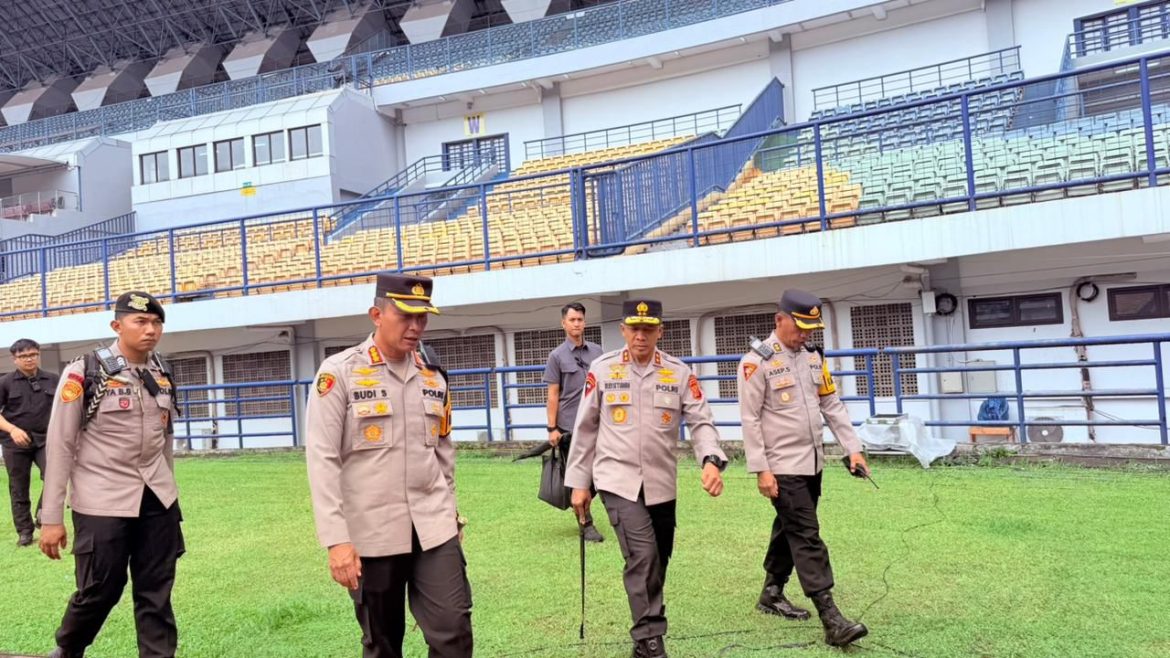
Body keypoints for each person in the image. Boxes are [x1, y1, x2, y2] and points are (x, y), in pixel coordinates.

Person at [306, 273, 472, 658]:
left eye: (422, 317)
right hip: (372, 531)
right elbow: (322, 458)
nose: (416, 326)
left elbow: (444, 452)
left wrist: (449, 511)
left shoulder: (433, 377)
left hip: (433, 527)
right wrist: (337, 540)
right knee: (382, 643)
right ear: (377, 315)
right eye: (405, 316)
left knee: (454, 631)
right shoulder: (340, 373)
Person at [566, 299, 728, 658]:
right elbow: (585, 428)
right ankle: (650, 640)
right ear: (623, 330)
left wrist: (710, 460)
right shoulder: (603, 369)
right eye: (634, 328)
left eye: (648, 329)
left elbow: (701, 420)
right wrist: (579, 483)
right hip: (616, 479)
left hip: (660, 483)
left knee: (659, 558)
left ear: (660, 331)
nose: (641, 335)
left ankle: (644, 636)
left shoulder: (678, 372)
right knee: (643, 556)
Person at [40, 291, 184, 658]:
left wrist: (171, 495)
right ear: (117, 325)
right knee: (100, 587)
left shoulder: (162, 372)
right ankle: (69, 647)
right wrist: (52, 517)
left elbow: (164, 441)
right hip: (102, 498)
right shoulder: (85, 371)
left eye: (157, 322)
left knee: (156, 590)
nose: (151, 330)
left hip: (157, 498)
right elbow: (60, 445)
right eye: (141, 322)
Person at [737, 289, 871, 648]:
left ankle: (771, 592)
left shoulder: (813, 357)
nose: (805, 334)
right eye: (800, 327)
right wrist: (761, 470)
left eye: (811, 328)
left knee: (790, 527)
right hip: (781, 466)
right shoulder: (756, 362)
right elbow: (750, 419)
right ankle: (831, 618)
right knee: (806, 534)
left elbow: (831, 404)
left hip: (812, 462)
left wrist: (853, 449)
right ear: (779, 320)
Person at [542, 302, 604, 542]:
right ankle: (586, 524)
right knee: (579, 477)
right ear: (563, 324)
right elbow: (553, 395)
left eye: (580, 319)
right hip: (570, 427)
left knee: (600, 473)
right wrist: (552, 428)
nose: (576, 324)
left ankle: (584, 505)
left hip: (598, 423)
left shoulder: (598, 352)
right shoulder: (556, 356)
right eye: (572, 320)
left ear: (585, 322)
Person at [0, 338, 58, 547]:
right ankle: (25, 531)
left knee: (54, 476)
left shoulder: (53, 379)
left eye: (32, 354)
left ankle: (43, 514)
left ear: (38, 355)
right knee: (18, 486)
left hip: (45, 439)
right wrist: (13, 429)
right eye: (23, 356)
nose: (29, 359)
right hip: (14, 441)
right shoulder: (5, 382)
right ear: (14, 359)